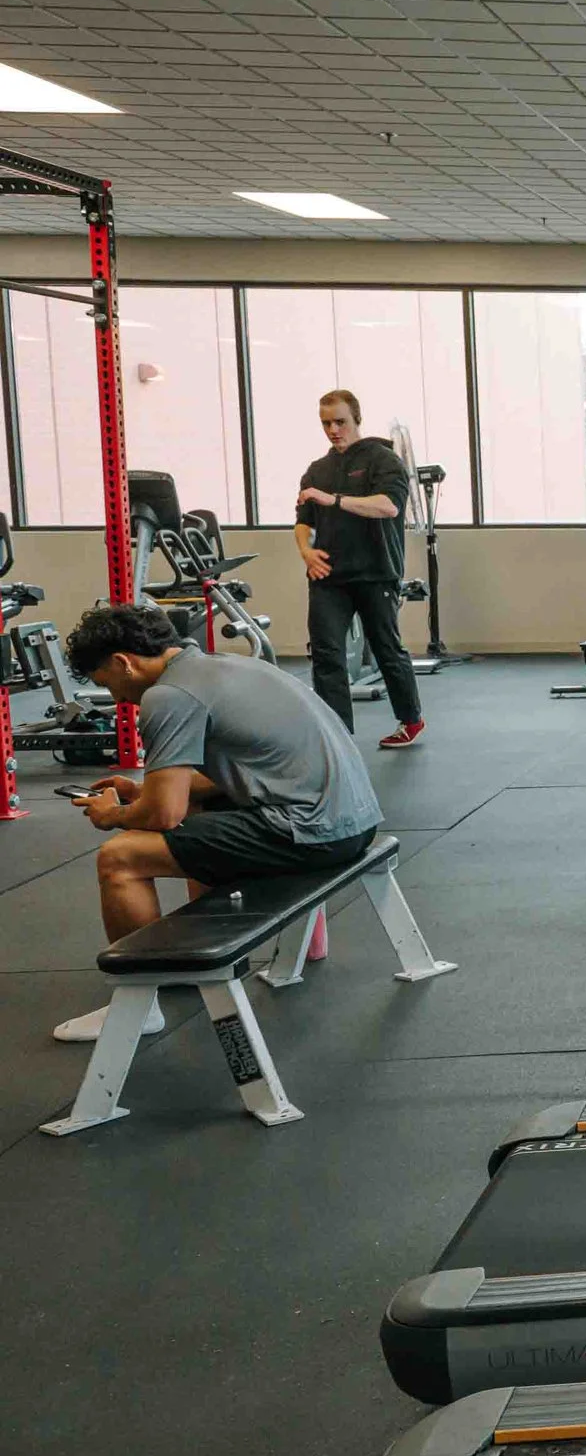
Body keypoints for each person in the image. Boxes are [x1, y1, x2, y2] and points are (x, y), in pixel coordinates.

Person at [52, 603, 383, 1043]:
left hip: (311, 832)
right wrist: (145, 791)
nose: (115, 699)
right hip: (354, 819)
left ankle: (138, 1005)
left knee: (121, 856)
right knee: (196, 813)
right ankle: (191, 958)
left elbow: (162, 815)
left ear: (122, 662)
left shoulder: (167, 696)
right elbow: (237, 771)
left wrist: (112, 813)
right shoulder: (230, 666)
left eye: (106, 683)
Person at [297, 388, 423, 746]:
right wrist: (305, 551)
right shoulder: (317, 469)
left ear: (356, 420)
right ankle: (339, 735)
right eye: (326, 423)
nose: (333, 430)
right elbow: (303, 520)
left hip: (375, 570)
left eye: (340, 422)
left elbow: (389, 507)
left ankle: (410, 719)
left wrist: (333, 500)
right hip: (328, 575)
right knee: (325, 653)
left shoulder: (382, 460)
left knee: (386, 648)